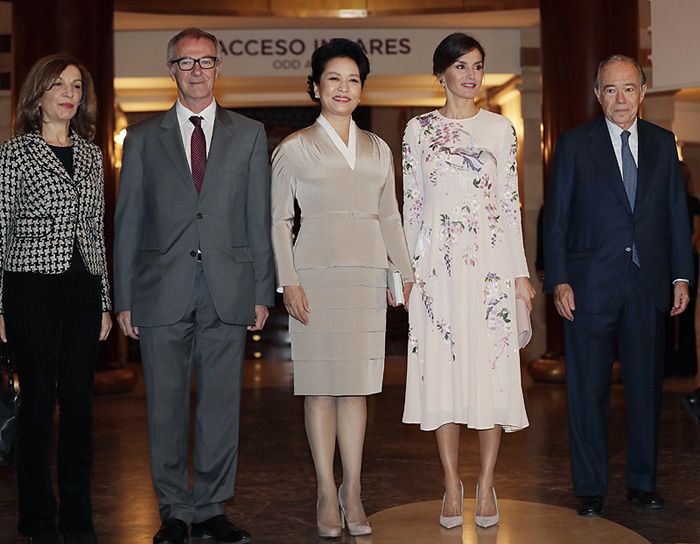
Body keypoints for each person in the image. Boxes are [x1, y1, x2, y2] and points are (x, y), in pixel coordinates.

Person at [114, 28, 274, 544]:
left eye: (205, 61)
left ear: (219, 67)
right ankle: (173, 511)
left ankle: (209, 508)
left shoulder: (249, 134)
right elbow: (129, 221)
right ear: (172, 70)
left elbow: (259, 219)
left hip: (228, 290)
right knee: (165, 406)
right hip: (161, 291)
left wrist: (261, 291)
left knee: (222, 405)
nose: (197, 70)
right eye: (186, 63)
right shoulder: (141, 138)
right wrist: (123, 299)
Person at [270, 38, 413, 539]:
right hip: (314, 278)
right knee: (320, 390)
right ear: (315, 87)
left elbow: (392, 216)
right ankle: (325, 491)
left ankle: (353, 488)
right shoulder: (292, 148)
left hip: (367, 277)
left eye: (353, 79)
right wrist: (288, 280)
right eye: (334, 78)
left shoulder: (378, 148)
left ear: (362, 89)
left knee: (356, 390)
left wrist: (406, 270)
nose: (344, 88)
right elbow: (279, 221)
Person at [544, 54, 693, 517]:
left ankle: (642, 483)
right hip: (587, 287)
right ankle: (590, 489)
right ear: (597, 95)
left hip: (647, 285)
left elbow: (675, 215)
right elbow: (556, 219)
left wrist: (681, 276)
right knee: (587, 391)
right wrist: (560, 279)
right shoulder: (573, 145)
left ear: (643, 92)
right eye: (610, 89)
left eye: (628, 88)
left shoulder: (664, 143)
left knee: (646, 390)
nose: (620, 98)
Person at [402, 33, 535, 530]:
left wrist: (520, 274)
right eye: (460, 66)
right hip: (437, 271)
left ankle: (486, 482)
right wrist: (407, 273)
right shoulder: (417, 131)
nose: (471, 75)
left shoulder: (501, 130)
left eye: (478, 66)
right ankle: (450, 484)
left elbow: (509, 206)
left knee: (490, 372)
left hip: (491, 270)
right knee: (444, 376)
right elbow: (411, 204)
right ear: (441, 74)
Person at [0, 54, 112, 544]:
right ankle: (38, 519)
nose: (70, 94)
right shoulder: (14, 154)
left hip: (83, 289)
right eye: (59, 85)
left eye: (76, 86)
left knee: (80, 405)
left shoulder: (91, 154)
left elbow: (95, 232)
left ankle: (78, 518)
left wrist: (105, 299)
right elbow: (1, 230)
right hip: (31, 287)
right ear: (37, 95)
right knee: (39, 405)